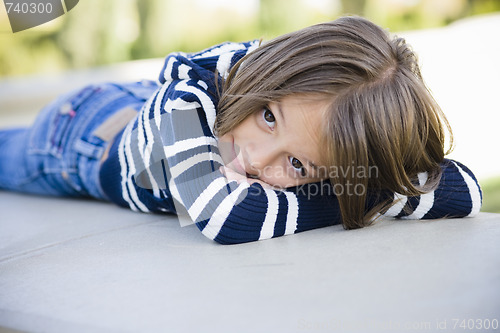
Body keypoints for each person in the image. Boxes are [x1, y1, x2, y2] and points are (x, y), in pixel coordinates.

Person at [0, 16, 482, 244]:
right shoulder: (185, 102)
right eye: (269, 117)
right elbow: (226, 216)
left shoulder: (302, 121)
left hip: (158, 109)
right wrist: (360, 199)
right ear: (269, 75)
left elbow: (464, 190)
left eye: (297, 163)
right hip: (79, 139)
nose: (252, 159)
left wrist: (367, 180)